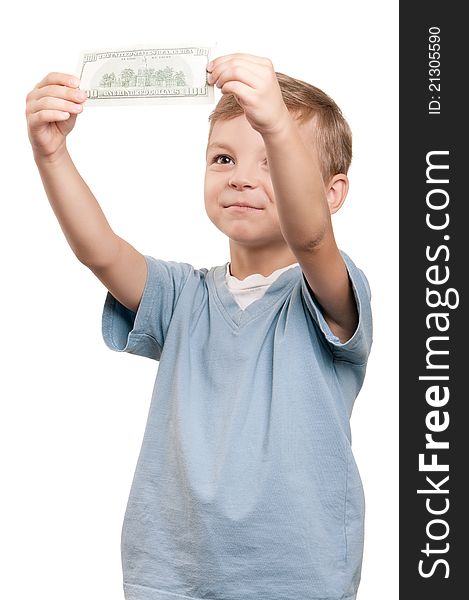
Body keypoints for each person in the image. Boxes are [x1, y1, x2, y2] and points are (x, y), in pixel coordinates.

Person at [26, 52, 373, 600]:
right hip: (173, 575)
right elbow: (101, 252)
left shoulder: (329, 294)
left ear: (331, 193)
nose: (241, 179)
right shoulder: (182, 296)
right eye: (223, 159)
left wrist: (277, 121)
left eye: (272, 160)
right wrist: (52, 154)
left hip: (295, 578)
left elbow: (309, 238)